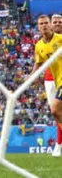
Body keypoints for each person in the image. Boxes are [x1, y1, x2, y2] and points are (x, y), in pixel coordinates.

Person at [32, 14, 62, 156]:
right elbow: (38, 63)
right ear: (38, 26)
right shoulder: (39, 46)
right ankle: (59, 143)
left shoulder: (60, 39)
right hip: (54, 81)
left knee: (55, 110)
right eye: (41, 24)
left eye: (46, 23)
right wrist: (30, 78)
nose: (44, 25)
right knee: (56, 113)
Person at [43, 14, 62, 157]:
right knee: (56, 114)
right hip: (50, 79)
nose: (57, 24)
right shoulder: (44, 41)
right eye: (55, 22)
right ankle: (59, 144)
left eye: (60, 22)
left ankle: (59, 144)